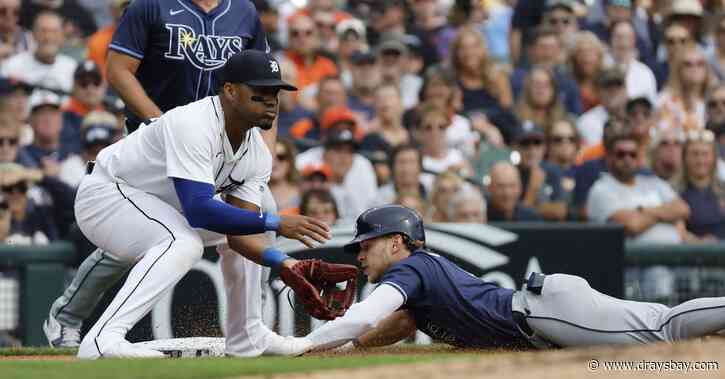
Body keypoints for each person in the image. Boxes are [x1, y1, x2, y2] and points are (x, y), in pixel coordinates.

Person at [46, 51, 332, 359]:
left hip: (161, 207)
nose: (271, 101)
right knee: (183, 243)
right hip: (107, 194)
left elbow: (240, 233)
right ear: (231, 91)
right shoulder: (194, 122)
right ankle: (102, 340)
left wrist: (283, 261)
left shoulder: (257, 154)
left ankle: (246, 336)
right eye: (260, 92)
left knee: (251, 218)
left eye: (275, 93)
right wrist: (276, 222)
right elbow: (199, 209)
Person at [300, 204, 725, 352]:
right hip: (547, 311)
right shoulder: (419, 278)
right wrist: (351, 347)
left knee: (665, 329)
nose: (359, 253)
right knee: (664, 321)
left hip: (545, 313)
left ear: (397, 242)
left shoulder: (412, 266)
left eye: (365, 244)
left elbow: (367, 315)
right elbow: (401, 323)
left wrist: (305, 344)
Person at [106, 0, 270, 131]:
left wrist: (266, 152)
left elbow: (265, 82)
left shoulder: (245, 11)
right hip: (150, 138)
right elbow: (118, 70)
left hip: (220, 141)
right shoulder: (149, 5)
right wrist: (159, 122)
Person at [586, 126, 691, 243]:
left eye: (633, 154)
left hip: (674, 256)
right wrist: (667, 215)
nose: (627, 159)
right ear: (609, 157)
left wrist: (643, 211)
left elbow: (683, 209)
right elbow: (632, 226)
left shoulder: (653, 182)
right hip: (632, 259)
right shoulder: (601, 189)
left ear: (639, 157)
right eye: (621, 154)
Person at [1, 10, 76, 93]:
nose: (48, 37)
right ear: (33, 34)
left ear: (62, 36)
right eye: (43, 31)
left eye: (54, 32)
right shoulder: (12, 66)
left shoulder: (72, 68)